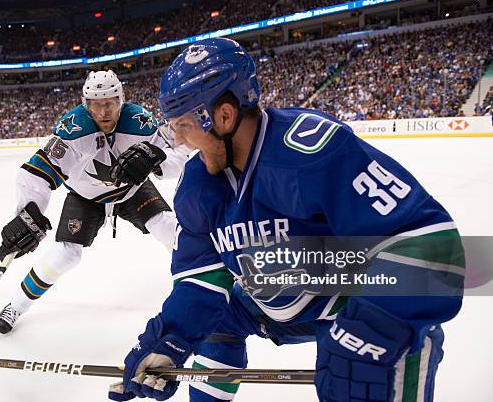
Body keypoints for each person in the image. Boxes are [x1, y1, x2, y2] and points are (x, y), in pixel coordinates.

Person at [108, 38, 465, 402]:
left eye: (183, 126)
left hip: (347, 301)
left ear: (223, 116)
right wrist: (170, 338)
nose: (180, 143)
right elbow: (200, 279)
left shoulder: (312, 151)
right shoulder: (197, 186)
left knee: (361, 376)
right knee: (212, 323)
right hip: (265, 295)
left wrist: (370, 332)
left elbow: (429, 246)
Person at [0, 70, 188, 334]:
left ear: (121, 100)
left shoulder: (139, 122)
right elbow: (37, 172)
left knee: (169, 229)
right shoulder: (73, 129)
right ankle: (16, 305)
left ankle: (196, 288)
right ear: (86, 104)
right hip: (86, 198)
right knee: (66, 255)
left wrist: (155, 157)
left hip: (132, 191)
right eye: (96, 104)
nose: (104, 111)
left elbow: (182, 148)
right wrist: (28, 213)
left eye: (110, 103)